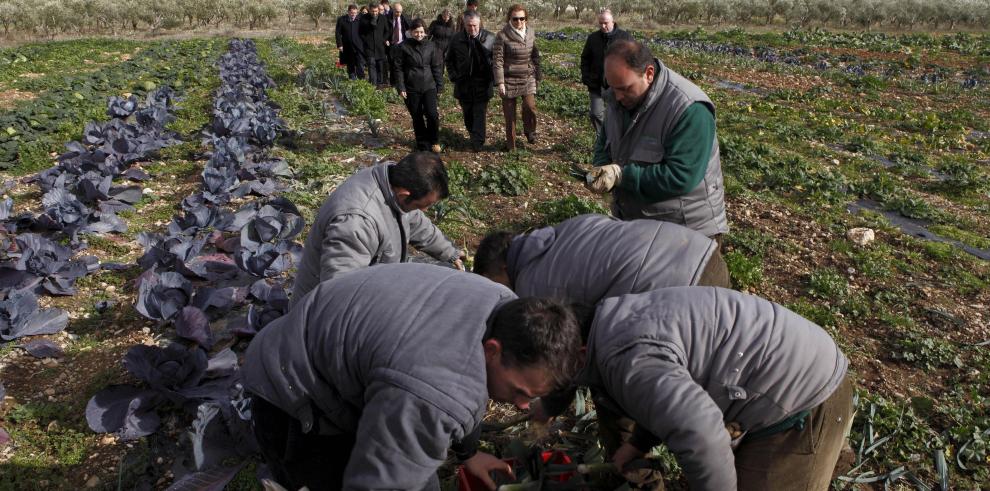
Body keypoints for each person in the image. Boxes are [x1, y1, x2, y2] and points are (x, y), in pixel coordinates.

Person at [244, 263, 584, 490]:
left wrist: (468, 452)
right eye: (522, 392)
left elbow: (466, 391)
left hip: (329, 349)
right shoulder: (433, 391)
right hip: (291, 389)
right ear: (493, 351)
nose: (525, 405)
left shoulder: (505, 309)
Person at [532, 287, 854, 491]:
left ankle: (818, 450)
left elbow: (703, 438)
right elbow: (666, 393)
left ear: (579, 354)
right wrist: (638, 444)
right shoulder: (612, 323)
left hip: (803, 394)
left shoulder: (625, 359)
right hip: (779, 370)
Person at [586, 39, 728, 240]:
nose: (617, 96)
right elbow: (605, 140)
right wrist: (601, 168)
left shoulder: (688, 109)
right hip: (639, 225)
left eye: (625, 88)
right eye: (613, 87)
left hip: (686, 233)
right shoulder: (618, 98)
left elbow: (681, 176)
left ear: (649, 74)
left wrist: (621, 176)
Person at [290, 152, 463, 305]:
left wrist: (450, 253)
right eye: (422, 205)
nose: (424, 211)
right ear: (405, 195)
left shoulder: (392, 182)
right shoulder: (356, 223)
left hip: (365, 294)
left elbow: (416, 222)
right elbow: (340, 294)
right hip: (321, 317)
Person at [473, 214, 730, 305]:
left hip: (678, 289)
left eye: (493, 283)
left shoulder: (533, 285)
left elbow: (564, 346)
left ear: (503, 267)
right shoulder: (567, 227)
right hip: (704, 254)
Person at [493, 4, 541, 151]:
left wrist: (537, 72)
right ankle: (511, 146)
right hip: (508, 79)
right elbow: (498, 60)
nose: (519, 22)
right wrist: (500, 82)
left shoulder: (531, 32)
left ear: (526, 19)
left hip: (527, 76)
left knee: (530, 107)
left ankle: (530, 131)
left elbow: (535, 54)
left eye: (522, 18)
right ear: (510, 19)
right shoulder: (502, 35)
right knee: (510, 115)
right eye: (515, 19)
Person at [445, 10, 495, 152]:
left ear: (479, 23)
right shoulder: (456, 39)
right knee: (468, 114)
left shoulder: (490, 38)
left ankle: (478, 142)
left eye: (474, 25)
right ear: (464, 24)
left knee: (479, 113)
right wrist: (453, 75)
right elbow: (449, 60)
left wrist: (493, 76)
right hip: (463, 83)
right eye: (469, 26)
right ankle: (473, 133)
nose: (472, 29)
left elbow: (496, 61)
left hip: (482, 84)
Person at [394, 19, 444, 153]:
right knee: (417, 116)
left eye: (421, 32)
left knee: (432, 114)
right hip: (411, 87)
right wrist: (401, 87)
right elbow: (398, 68)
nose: (419, 34)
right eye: (416, 32)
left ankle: (434, 140)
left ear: (425, 32)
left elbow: (436, 67)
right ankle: (422, 144)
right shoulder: (403, 47)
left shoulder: (431, 46)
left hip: (429, 85)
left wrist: (440, 85)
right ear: (411, 32)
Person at [580, 9, 632, 136]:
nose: (603, 26)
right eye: (600, 23)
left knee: (617, 114)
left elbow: (633, 59)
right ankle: (603, 137)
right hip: (596, 83)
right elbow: (585, 58)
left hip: (617, 85)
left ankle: (615, 139)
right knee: (596, 113)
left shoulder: (624, 37)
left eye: (606, 23)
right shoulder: (593, 38)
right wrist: (586, 77)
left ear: (613, 22)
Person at [359, 2, 388, 86]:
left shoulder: (383, 18)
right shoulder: (364, 18)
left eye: (376, 11)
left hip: (380, 47)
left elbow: (387, 31)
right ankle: (373, 85)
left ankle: (379, 84)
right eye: (372, 11)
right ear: (369, 10)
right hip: (369, 47)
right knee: (371, 65)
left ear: (378, 10)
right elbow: (360, 32)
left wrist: (383, 39)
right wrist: (366, 40)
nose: (374, 13)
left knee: (379, 66)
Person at [334, 4, 365, 80]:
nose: (353, 15)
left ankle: (361, 79)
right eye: (352, 13)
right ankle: (352, 79)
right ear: (348, 12)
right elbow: (338, 33)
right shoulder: (342, 20)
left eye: (355, 13)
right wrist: (340, 45)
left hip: (359, 46)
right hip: (347, 46)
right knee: (350, 63)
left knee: (360, 63)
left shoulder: (360, 19)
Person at [383, 2, 410, 86]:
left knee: (402, 64)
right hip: (391, 45)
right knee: (392, 64)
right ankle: (393, 84)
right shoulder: (386, 18)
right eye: (397, 12)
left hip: (402, 44)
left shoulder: (404, 18)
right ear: (393, 10)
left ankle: (402, 83)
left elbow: (409, 29)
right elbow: (382, 31)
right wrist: (385, 39)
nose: (399, 14)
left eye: (400, 12)